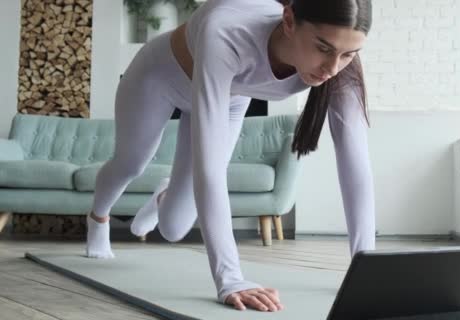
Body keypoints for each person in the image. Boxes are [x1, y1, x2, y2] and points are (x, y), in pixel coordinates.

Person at [85, 0, 375, 312]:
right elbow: (210, 170)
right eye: (323, 48)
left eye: (348, 54)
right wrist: (231, 279)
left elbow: (355, 163)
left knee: (173, 228)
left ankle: (164, 197)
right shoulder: (226, 31)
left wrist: (368, 271)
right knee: (131, 163)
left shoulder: (341, 67)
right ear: (289, 21)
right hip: (158, 78)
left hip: (230, 99)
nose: (332, 68)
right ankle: (98, 218)